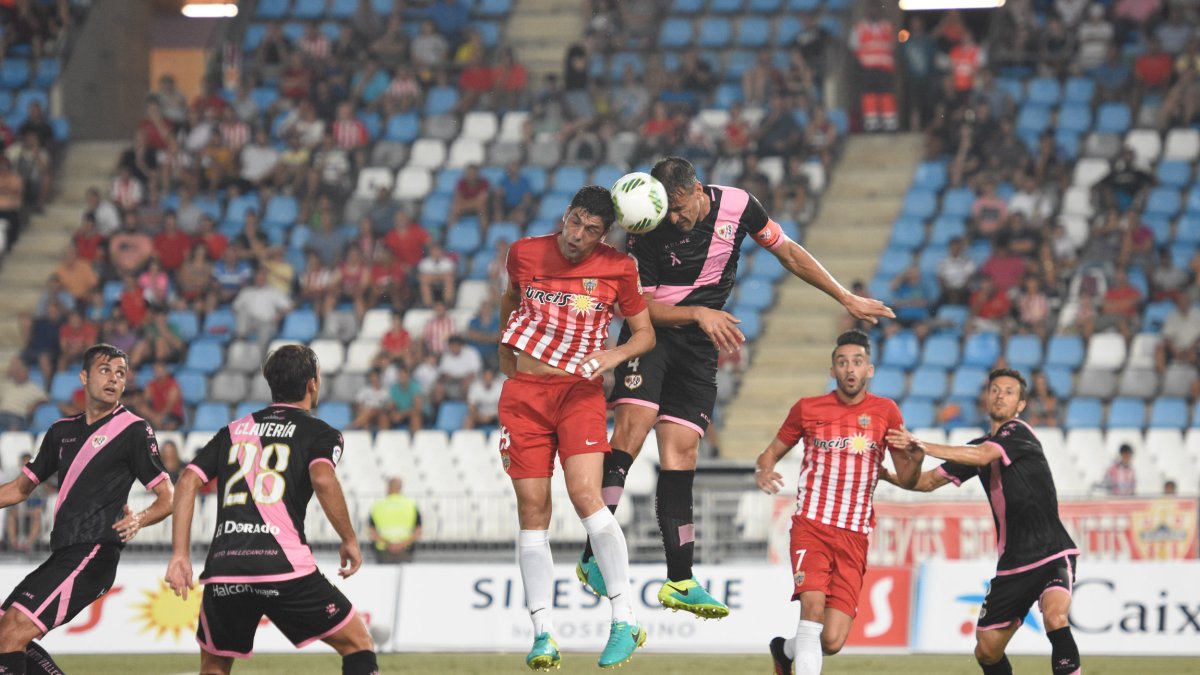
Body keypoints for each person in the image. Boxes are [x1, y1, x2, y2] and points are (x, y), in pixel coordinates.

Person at [579, 157, 893, 618]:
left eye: (682, 208)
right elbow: (636, 309)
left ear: (699, 189)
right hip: (653, 336)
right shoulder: (645, 226)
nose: (676, 219)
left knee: (682, 451)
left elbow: (788, 252)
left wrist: (844, 295)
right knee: (633, 427)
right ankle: (593, 556)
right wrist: (698, 313)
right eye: (669, 211)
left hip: (701, 347)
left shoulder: (741, 207)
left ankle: (680, 581)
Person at [498, 186, 655, 669]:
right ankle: (543, 632)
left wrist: (614, 354)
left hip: (578, 394)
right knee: (532, 511)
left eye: (591, 231)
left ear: (603, 234)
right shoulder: (523, 252)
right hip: (524, 395)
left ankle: (624, 617)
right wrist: (506, 356)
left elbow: (645, 333)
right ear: (565, 215)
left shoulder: (619, 268)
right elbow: (510, 301)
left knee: (587, 496)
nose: (578, 236)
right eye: (575, 223)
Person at [165, 344, 378, 675]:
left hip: (226, 566)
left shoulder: (233, 431)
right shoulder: (320, 432)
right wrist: (349, 538)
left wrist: (180, 554)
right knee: (358, 643)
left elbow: (187, 480)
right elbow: (323, 478)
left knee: (215, 666)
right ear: (312, 384)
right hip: (285, 567)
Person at [884, 369, 1081, 675]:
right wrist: (886, 475)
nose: (1000, 395)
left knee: (1055, 616)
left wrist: (922, 445)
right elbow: (925, 483)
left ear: (1020, 405)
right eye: (995, 390)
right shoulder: (978, 445)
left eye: (1009, 392)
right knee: (987, 650)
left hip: (1051, 552)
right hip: (1013, 563)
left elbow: (981, 456)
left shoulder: (1018, 432)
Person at [0, 344, 173, 675]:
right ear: (84, 376)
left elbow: (168, 497)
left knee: (13, 629)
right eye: (105, 370)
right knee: (5, 631)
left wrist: (139, 518)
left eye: (121, 373)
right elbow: (20, 489)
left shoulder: (134, 430)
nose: (113, 378)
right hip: (64, 553)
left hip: (95, 551)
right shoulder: (61, 432)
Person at [756, 330, 921, 675]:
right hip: (811, 526)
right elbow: (770, 453)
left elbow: (907, 478)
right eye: (843, 362)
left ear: (869, 370)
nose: (850, 369)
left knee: (831, 640)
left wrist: (916, 459)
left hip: (854, 536)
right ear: (832, 370)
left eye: (857, 362)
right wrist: (763, 470)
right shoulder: (807, 409)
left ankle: (784, 651)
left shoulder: (886, 412)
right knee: (812, 608)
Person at [367, 477, 422, 563]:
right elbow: (418, 531)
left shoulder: (378, 505)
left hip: (383, 551)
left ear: (388, 487)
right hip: (405, 551)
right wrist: (401, 544)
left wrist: (389, 544)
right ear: (400, 488)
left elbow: (371, 532)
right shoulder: (411, 505)